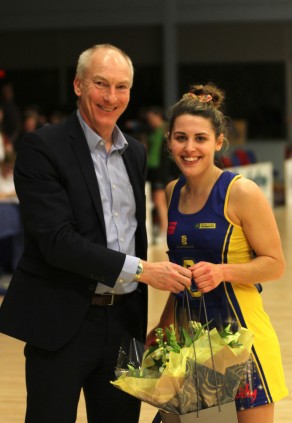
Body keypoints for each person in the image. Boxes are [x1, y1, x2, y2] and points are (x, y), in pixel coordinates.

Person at [0, 44, 192, 423]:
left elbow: (132, 230)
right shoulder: (43, 147)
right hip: (62, 321)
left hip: (124, 323)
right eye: (100, 84)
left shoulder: (134, 153)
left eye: (121, 87)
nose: (111, 97)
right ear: (78, 85)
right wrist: (141, 270)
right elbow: (57, 241)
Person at [147, 83, 288, 423]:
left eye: (200, 138)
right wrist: (163, 325)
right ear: (168, 141)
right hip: (188, 341)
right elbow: (181, 270)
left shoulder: (241, 192)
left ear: (218, 142)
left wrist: (225, 272)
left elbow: (275, 264)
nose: (189, 148)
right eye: (180, 138)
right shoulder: (171, 192)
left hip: (242, 339)